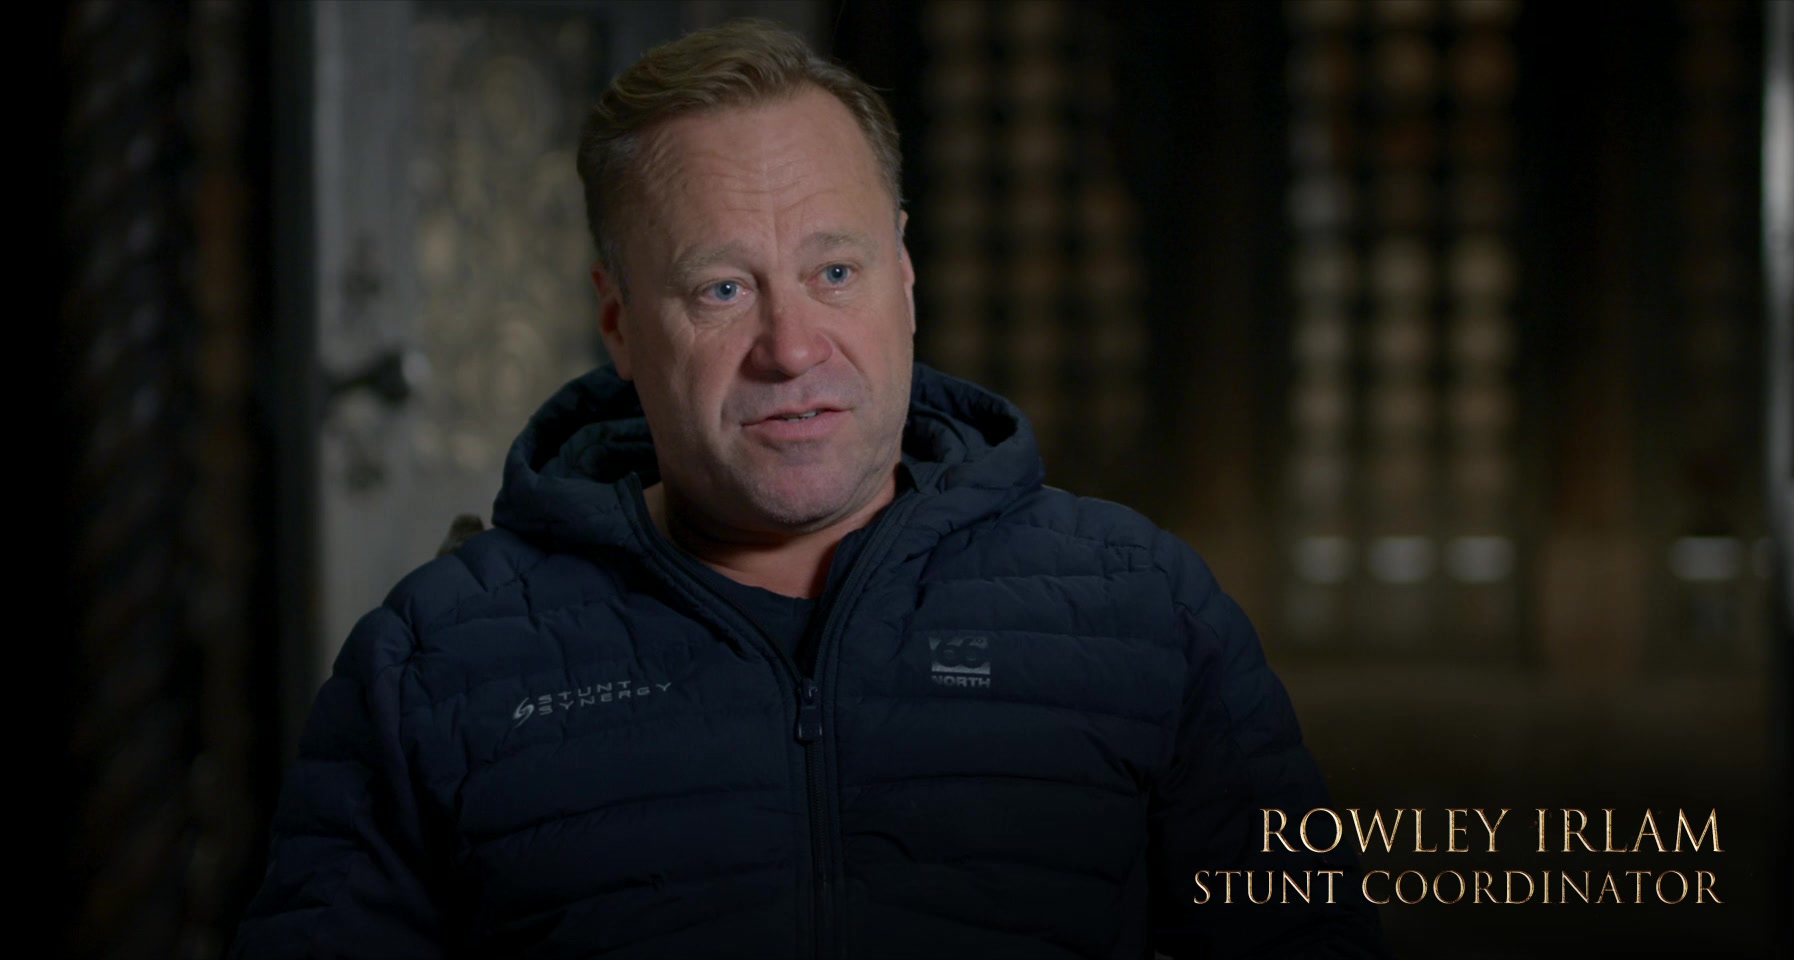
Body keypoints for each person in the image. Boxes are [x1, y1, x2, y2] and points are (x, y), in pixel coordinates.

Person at [232, 19, 1384, 960]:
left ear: (906, 278)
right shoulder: (439, 660)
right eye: (722, 289)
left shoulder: (1141, 612)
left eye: (835, 271)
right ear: (619, 323)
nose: (791, 348)